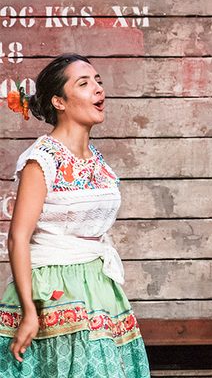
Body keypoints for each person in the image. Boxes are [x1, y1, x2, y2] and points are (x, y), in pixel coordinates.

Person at [0, 54, 150, 377]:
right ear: (59, 101)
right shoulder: (41, 161)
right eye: (83, 83)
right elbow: (18, 238)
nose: (97, 89)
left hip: (97, 287)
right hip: (53, 289)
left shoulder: (97, 161)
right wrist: (29, 310)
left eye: (98, 81)